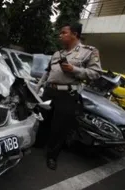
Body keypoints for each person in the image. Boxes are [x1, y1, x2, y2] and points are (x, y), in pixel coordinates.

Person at [36, 22, 102, 170]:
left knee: (59, 127)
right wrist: (38, 88)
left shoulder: (89, 51)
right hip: (49, 91)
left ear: (75, 34)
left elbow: (96, 73)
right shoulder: (57, 53)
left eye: (63, 33)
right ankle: (38, 145)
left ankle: (52, 156)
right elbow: (47, 73)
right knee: (42, 120)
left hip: (67, 93)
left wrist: (75, 69)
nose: (60, 36)